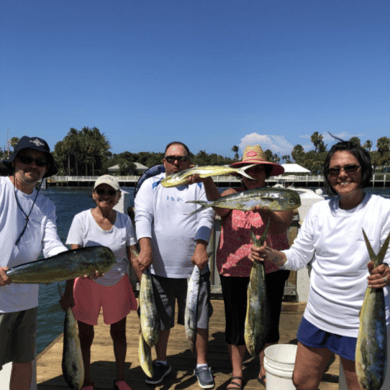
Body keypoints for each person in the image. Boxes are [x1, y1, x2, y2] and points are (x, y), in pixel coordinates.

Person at [250, 141, 390, 390]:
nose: (342, 174)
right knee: (301, 380)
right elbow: (299, 256)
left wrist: (386, 271)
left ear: (364, 169)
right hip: (318, 315)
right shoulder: (318, 211)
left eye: (350, 167)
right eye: (334, 170)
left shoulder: (384, 209)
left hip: (360, 323)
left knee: (362, 385)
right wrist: (273, 255)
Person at [190, 145, 292, 390]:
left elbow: (281, 226)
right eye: (248, 170)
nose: (253, 174)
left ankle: (265, 368)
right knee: (235, 322)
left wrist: (265, 209)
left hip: (270, 269)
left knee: (268, 320)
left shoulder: (279, 197)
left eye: (258, 170)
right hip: (233, 270)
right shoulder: (232, 195)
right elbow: (219, 208)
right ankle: (237, 373)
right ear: (240, 174)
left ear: (267, 173)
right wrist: (207, 180)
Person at [134, 141, 215, 388]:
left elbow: (208, 213)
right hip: (158, 269)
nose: (176, 163)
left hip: (194, 268)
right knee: (160, 320)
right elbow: (143, 215)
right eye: (171, 159)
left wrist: (201, 246)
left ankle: (201, 363)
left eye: (181, 159)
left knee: (199, 319)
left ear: (189, 161)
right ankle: (161, 361)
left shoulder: (199, 184)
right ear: (164, 161)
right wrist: (145, 247)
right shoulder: (151, 184)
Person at [60, 175, 142, 390]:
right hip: (86, 286)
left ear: (117, 196)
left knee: (119, 333)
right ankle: (86, 380)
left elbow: (132, 255)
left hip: (117, 283)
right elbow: (72, 259)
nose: (106, 196)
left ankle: (120, 378)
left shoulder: (125, 220)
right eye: (101, 192)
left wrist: (146, 288)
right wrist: (68, 293)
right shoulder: (81, 219)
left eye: (110, 192)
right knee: (85, 336)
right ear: (94, 195)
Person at [0, 136, 68, 390]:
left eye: (40, 162)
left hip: (27, 298)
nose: (33, 165)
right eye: (26, 159)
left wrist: (77, 264)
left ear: (46, 168)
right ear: (14, 161)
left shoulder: (46, 204)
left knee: (24, 360)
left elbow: (52, 246)